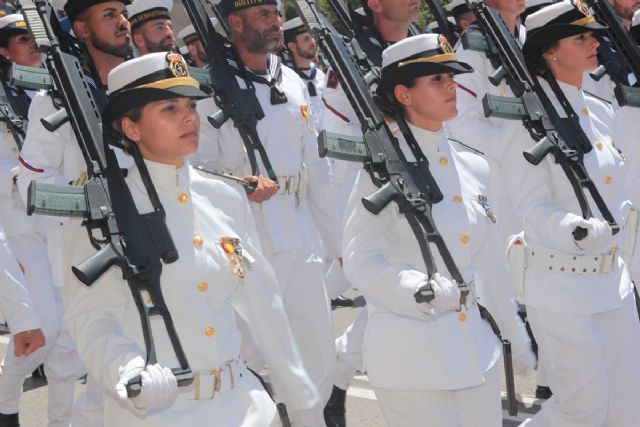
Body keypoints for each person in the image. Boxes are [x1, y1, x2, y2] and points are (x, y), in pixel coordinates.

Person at [62, 51, 318, 427]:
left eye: (190, 106)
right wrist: (128, 369)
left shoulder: (224, 196)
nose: (189, 117)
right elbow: (90, 319)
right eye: (169, 108)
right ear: (131, 128)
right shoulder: (102, 213)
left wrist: (298, 393)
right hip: (159, 413)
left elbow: (263, 300)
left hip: (245, 407)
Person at [342, 33, 532, 427]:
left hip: (474, 352)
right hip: (411, 357)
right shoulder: (380, 167)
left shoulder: (472, 166)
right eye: (436, 80)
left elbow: (489, 262)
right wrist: (411, 286)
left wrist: (515, 334)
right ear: (404, 94)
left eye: (451, 77)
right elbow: (359, 257)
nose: (451, 86)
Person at [195, 0, 342, 423]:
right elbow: (191, 168)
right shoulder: (209, 91)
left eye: (276, 14)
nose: (276, 22)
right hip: (246, 236)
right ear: (235, 24)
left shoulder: (293, 80)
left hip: (299, 233)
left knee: (316, 350)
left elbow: (318, 167)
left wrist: (337, 241)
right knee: (252, 354)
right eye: (264, 15)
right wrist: (239, 184)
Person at [503, 1, 640, 425]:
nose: (595, 42)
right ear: (550, 50)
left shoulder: (599, 111)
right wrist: (572, 229)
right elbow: (529, 208)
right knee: (581, 411)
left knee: (628, 409)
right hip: (562, 286)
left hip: (614, 284)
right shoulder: (528, 121)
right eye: (580, 37)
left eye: (594, 34)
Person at [16, 1, 134, 425]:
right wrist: (88, 196)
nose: (123, 22)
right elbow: (28, 184)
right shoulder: (52, 102)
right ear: (81, 30)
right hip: (90, 254)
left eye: (123, 12)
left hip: (147, 241)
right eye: (109, 15)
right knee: (98, 379)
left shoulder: (142, 88)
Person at [0, 13, 79, 427]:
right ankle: (7, 406)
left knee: (70, 331)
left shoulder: (55, 89)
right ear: (3, 50)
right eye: (21, 39)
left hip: (57, 218)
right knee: (43, 325)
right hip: (16, 223)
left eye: (35, 38)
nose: (32, 45)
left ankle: (60, 421)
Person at [283, 16, 326, 128]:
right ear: (292, 46)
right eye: (306, 39)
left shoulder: (322, 76)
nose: (312, 42)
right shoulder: (287, 81)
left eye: (312, 36)